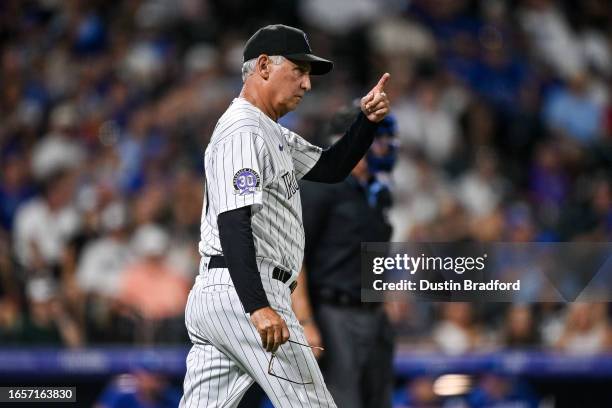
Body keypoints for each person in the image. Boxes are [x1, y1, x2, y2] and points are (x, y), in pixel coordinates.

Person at [180, 24, 390, 407]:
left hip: (227, 291)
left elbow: (330, 168)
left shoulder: (269, 130)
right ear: (263, 66)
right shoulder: (243, 129)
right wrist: (258, 306)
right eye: (299, 70)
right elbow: (233, 222)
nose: (307, 85)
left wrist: (366, 121)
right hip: (246, 289)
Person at [292, 110, 397, 408]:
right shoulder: (320, 186)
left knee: (378, 400)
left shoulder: (375, 192)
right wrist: (304, 320)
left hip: (373, 314)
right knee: (341, 401)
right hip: (332, 313)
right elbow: (294, 256)